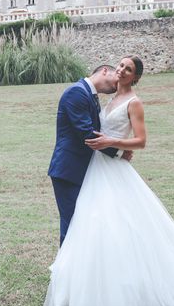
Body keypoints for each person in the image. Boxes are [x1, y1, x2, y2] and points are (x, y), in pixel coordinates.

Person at [44, 55, 174, 306]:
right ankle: (75, 279)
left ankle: (87, 280)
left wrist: (119, 149)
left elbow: (140, 140)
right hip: (84, 169)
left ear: (135, 76)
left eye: (128, 69)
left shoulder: (132, 101)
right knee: (85, 223)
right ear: (109, 69)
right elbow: (90, 133)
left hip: (103, 169)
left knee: (107, 223)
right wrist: (118, 151)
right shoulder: (92, 96)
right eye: (120, 66)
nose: (122, 71)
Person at [47, 64, 131, 246]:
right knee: (72, 223)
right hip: (69, 170)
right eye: (117, 79)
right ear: (104, 71)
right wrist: (118, 151)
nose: (118, 85)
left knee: (85, 222)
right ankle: (67, 272)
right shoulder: (76, 93)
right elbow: (87, 134)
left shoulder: (91, 96)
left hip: (85, 170)